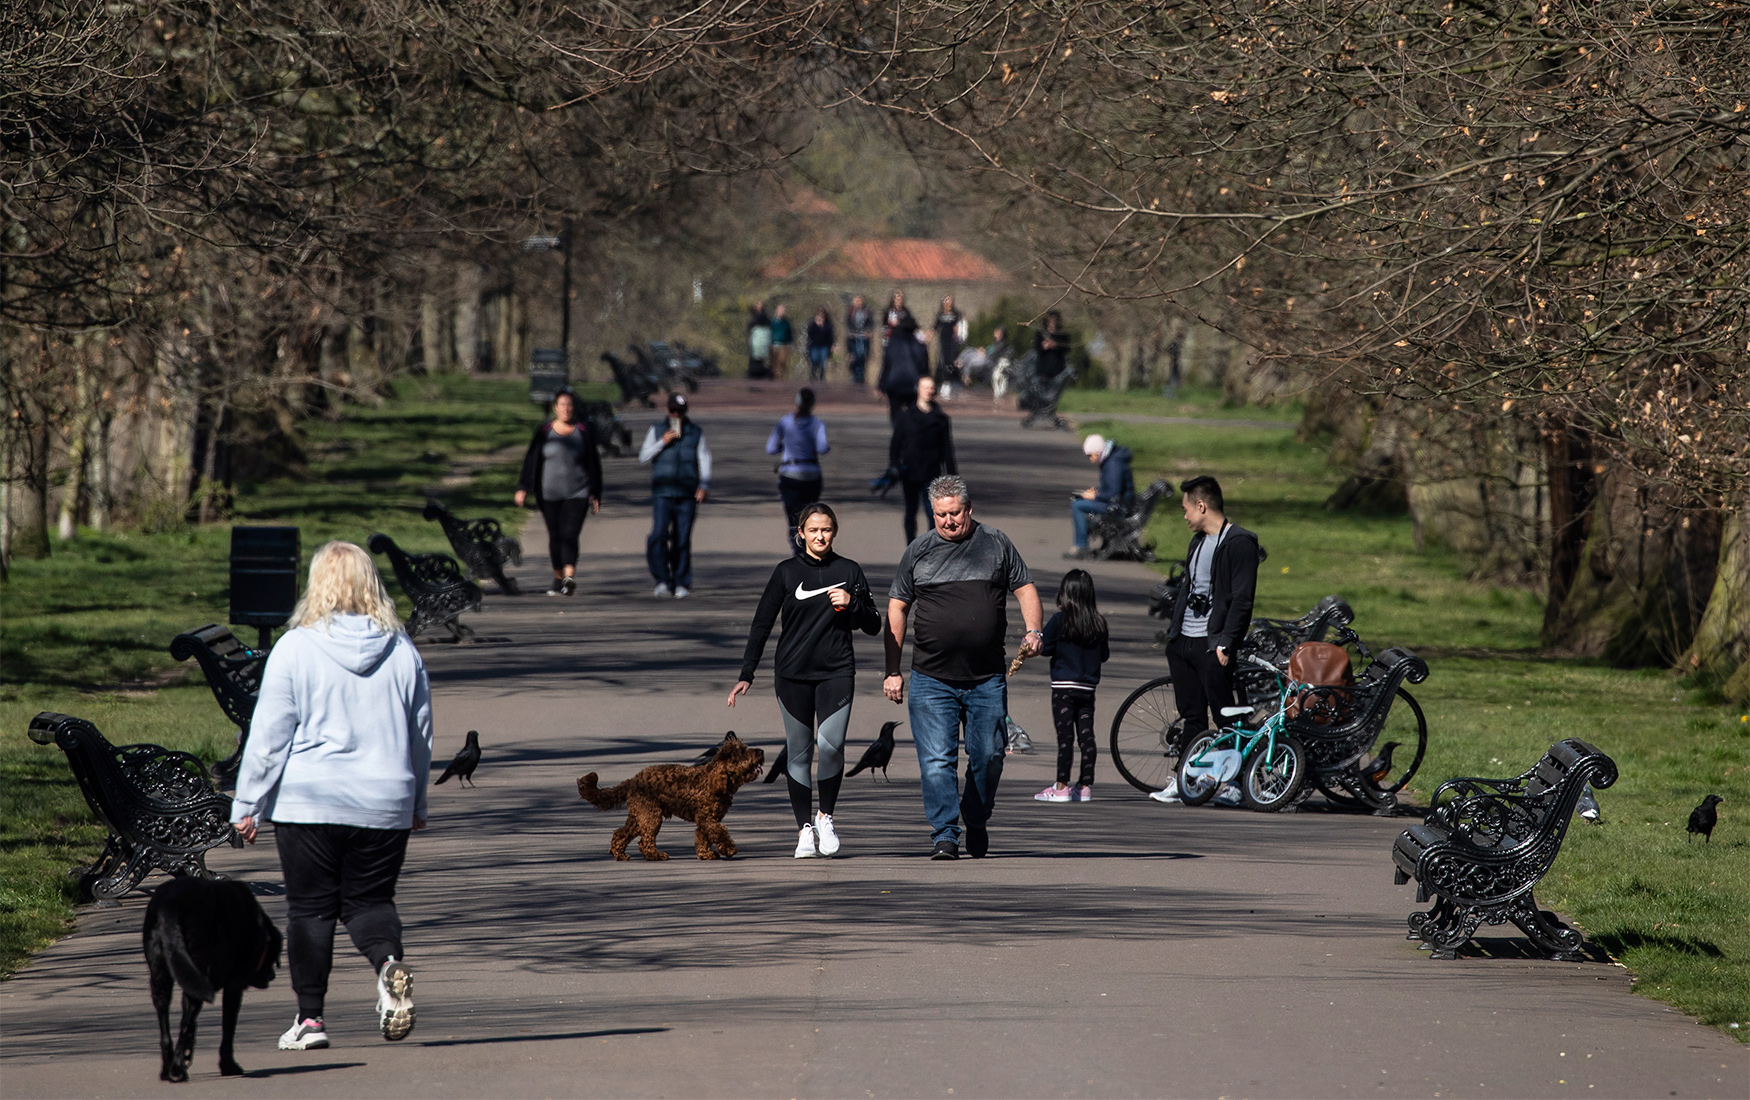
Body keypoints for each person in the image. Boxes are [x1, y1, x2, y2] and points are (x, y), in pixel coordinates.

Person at [230, 540, 431, 1052]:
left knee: (311, 910)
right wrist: (417, 804)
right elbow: (419, 734)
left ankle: (311, 1021)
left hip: (310, 800)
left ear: (316, 582)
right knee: (369, 901)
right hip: (384, 798)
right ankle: (387, 964)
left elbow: (269, 734)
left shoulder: (296, 647)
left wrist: (247, 804)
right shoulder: (402, 649)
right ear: (371, 583)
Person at [884, 475, 1044, 860]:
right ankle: (945, 834)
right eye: (940, 515)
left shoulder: (995, 544)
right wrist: (893, 669)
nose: (948, 521)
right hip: (930, 679)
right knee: (937, 761)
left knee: (988, 755)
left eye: (954, 513)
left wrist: (1034, 630)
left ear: (969, 509)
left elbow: (1024, 588)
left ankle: (975, 815)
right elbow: (897, 606)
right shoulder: (919, 551)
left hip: (986, 678)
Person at [729, 503, 882, 858]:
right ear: (801, 533)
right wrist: (746, 674)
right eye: (812, 530)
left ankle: (826, 816)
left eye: (826, 530)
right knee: (799, 753)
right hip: (792, 674)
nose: (820, 536)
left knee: (830, 747)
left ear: (834, 532)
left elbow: (874, 623)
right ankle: (804, 830)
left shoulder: (850, 571)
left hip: (836, 672)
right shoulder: (785, 572)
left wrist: (852, 603)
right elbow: (761, 624)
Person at [1148, 476, 1262, 805]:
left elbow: (1242, 599)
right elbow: (1189, 587)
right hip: (1183, 639)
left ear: (1201, 505)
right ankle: (1187, 778)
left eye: (1186, 508)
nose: (1184, 516)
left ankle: (1232, 782)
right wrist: (1174, 635)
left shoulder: (1239, 542)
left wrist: (1227, 642)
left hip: (1214, 646)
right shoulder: (1198, 540)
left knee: (1226, 716)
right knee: (1192, 714)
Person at [514, 388, 603, 596]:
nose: (566, 409)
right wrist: (522, 488)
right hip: (548, 494)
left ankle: (569, 577)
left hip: (578, 492)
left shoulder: (583, 431)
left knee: (570, 533)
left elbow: (594, 464)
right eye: (562, 405)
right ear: (555, 408)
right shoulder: (544, 432)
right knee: (555, 535)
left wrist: (596, 493)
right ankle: (557, 576)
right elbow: (531, 461)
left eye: (569, 405)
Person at [1033, 569, 1110, 803]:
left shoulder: (1060, 619)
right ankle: (1085, 785)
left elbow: (1045, 648)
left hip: (1063, 687)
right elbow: (1104, 655)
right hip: (1087, 689)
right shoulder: (1098, 622)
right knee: (1086, 736)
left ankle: (1061, 786)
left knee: (1065, 738)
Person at [640, 392, 712, 599]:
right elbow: (643, 456)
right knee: (658, 536)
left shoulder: (695, 432)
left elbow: (704, 458)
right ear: (668, 410)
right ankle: (662, 579)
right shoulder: (656, 429)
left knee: (682, 539)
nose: (677, 415)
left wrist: (704, 485)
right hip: (663, 493)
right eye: (673, 411)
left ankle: (681, 581)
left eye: (680, 412)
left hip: (687, 494)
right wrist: (662, 442)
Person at [888, 376, 958, 543]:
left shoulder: (941, 419)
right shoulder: (905, 417)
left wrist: (952, 475)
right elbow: (895, 444)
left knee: (933, 514)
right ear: (918, 389)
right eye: (925, 387)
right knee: (910, 511)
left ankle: (931, 546)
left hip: (932, 472)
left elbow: (947, 448)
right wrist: (894, 465)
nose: (929, 391)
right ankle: (911, 545)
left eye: (932, 387)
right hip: (910, 473)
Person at [767, 388, 830, 554]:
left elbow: (770, 448)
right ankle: (809, 548)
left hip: (789, 474)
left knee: (794, 517)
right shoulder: (817, 424)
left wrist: (785, 446)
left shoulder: (785, 422)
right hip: (812, 475)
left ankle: (798, 550)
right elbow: (822, 448)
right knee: (808, 514)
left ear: (796, 402)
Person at [1067, 433, 1135, 559]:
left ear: (1098, 452)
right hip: (1117, 502)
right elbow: (1111, 487)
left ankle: (1081, 546)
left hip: (1118, 507)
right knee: (1078, 501)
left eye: (1090, 455)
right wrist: (1097, 491)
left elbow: (1113, 492)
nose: (1090, 459)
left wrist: (1094, 497)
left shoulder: (1113, 464)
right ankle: (1080, 544)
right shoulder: (1111, 460)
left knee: (1078, 506)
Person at [877, 290, 924, 421]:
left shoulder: (906, 312)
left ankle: (900, 433)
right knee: (912, 412)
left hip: (895, 383)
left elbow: (886, 365)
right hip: (911, 382)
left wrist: (881, 385)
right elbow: (923, 366)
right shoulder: (919, 345)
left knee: (897, 414)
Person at [932, 295, 965, 395]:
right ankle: (945, 382)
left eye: (949, 300)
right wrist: (927, 337)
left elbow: (959, 326)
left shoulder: (956, 314)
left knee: (952, 360)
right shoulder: (940, 314)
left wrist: (958, 336)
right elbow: (935, 327)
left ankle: (953, 381)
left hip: (952, 340)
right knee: (944, 361)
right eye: (946, 301)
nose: (948, 302)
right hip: (943, 340)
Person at [845, 295, 875, 385]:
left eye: (859, 301)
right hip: (853, 337)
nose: (858, 303)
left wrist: (868, 331)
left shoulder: (867, 311)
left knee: (862, 356)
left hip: (863, 336)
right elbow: (847, 324)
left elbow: (871, 323)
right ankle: (855, 373)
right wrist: (850, 332)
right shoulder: (850, 312)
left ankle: (861, 375)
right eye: (856, 301)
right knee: (854, 356)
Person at [1034, 311, 1069, 381]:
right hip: (1043, 367)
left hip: (1058, 367)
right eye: (1050, 320)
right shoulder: (1040, 334)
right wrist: (1044, 347)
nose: (1052, 323)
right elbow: (1036, 348)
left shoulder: (1062, 335)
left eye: (1055, 320)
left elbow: (1067, 348)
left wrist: (1055, 345)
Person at [805, 307, 835, 382]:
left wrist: (832, 345)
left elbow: (831, 336)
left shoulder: (828, 325)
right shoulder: (813, 324)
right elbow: (810, 334)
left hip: (825, 345)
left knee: (823, 360)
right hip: (814, 344)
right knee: (814, 359)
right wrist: (816, 325)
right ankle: (813, 374)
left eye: (822, 315)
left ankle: (822, 376)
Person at [747, 302, 773, 379]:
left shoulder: (766, 318)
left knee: (762, 361)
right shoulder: (753, 318)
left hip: (763, 342)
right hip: (756, 342)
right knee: (755, 361)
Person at [770, 304, 794, 379]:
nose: (782, 312)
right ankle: (773, 380)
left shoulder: (786, 322)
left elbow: (790, 334)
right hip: (773, 345)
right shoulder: (772, 322)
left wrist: (790, 344)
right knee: (773, 364)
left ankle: (779, 381)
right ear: (776, 311)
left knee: (781, 365)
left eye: (783, 310)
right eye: (780, 310)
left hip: (784, 346)